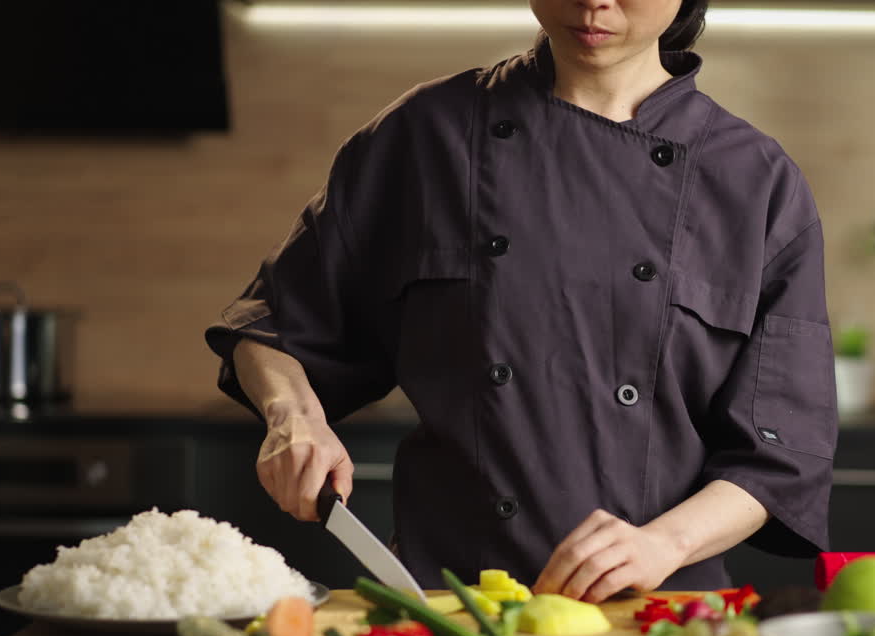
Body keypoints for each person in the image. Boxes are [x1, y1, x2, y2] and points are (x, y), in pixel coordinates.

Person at [205, 0, 836, 603]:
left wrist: (662, 544)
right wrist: (294, 418)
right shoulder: (427, 135)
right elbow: (274, 326)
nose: (594, 4)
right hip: (452, 600)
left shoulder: (756, 180)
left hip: (657, 610)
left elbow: (781, 456)